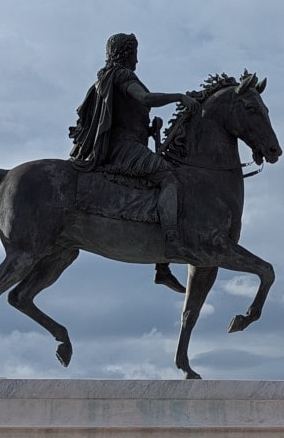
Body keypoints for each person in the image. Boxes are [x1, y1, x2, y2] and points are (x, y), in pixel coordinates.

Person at [68, 32, 198, 293]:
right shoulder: (122, 76)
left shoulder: (107, 78)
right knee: (168, 176)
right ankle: (171, 241)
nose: (137, 59)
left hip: (127, 143)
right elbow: (145, 99)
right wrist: (178, 97)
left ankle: (162, 268)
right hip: (123, 148)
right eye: (135, 53)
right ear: (127, 53)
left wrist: (149, 130)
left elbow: (125, 117)